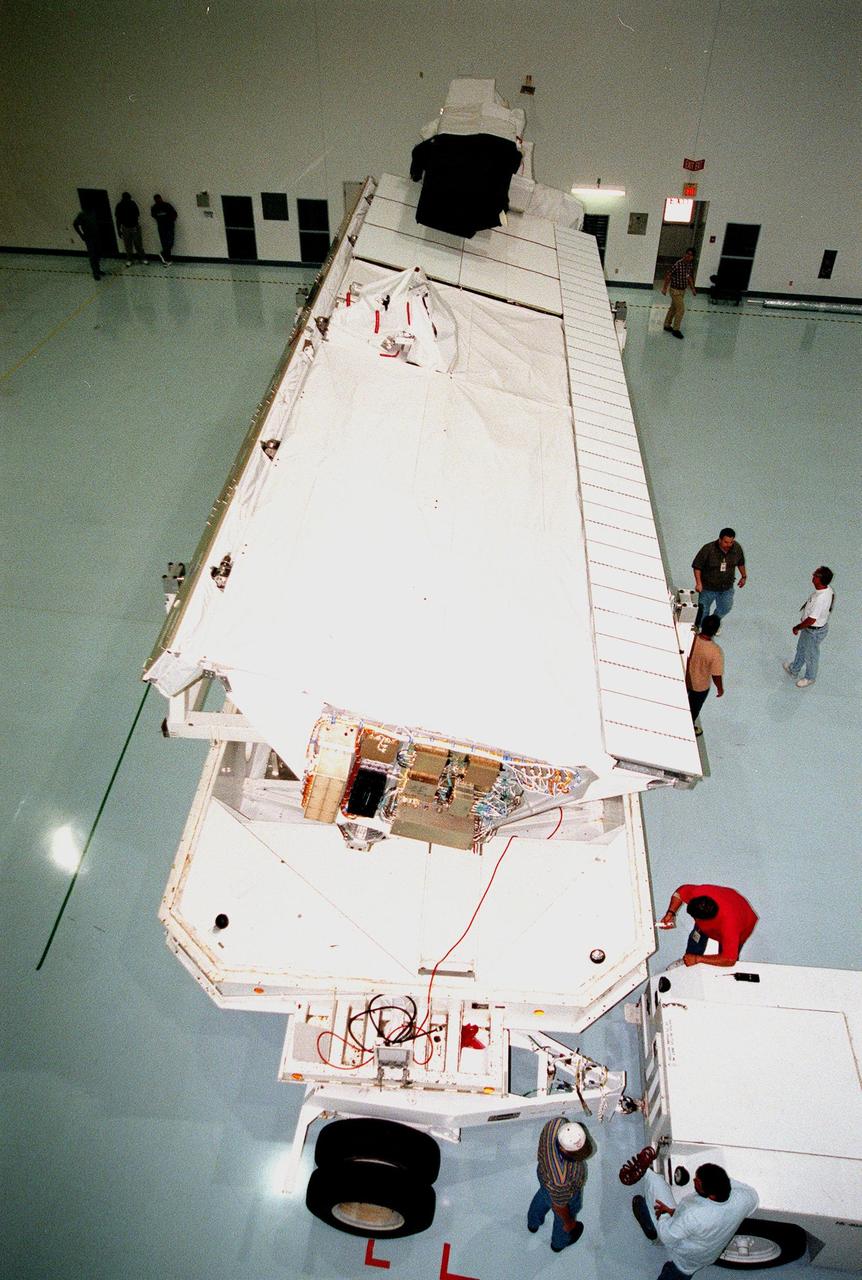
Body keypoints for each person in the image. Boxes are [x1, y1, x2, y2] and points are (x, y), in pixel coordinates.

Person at [632, 1161, 758, 1279]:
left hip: (686, 1259)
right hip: (708, 1253)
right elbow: (753, 1197)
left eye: (697, 1182)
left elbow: (667, 1235)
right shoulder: (744, 1200)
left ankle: (655, 1236)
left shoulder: (695, 1214)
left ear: (711, 1195)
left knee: (657, 1183)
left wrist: (665, 1214)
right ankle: (655, 1231)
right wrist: (672, 1211)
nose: (694, 1180)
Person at [527, 1118, 592, 1253]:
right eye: (576, 1155)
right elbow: (560, 1206)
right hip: (564, 1193)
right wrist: (569, 1222)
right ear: (563, 1149)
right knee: (562, 1217)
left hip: (543, 1174)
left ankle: (533, 1223)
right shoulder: (560, 1179)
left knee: (543, 1195)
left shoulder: (556, 1124)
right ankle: (558, 1243)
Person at [659, 883, 758, 967]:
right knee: (696, 936)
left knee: (723, 961)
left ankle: (714, 975)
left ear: (706, 919)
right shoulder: (699, 892)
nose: (695, 920)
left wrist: (698, 959)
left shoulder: (730, 925)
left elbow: (729, 959)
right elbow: (679, 893)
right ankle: (687, 961)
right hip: (729, 901)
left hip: (744, 921)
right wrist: (670, 913)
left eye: (696, 918)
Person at [783, 566, 834, 688]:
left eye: (816, 575)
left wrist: (798, 627)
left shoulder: (820, 599)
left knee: (811, 655)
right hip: (809, 630)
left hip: (813, 631)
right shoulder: (828, 590)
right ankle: (794, 668)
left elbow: (811, 620)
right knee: (801, 648)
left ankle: (810, 677)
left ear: (820, 579)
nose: (813, 576)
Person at [692, 528, 746, 627]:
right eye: (726, 542)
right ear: (720, 539)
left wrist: (743, 576)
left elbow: (741, 562)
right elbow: (697, 567)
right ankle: (702, 628)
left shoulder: (737, 548)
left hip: (727, 588)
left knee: (726, 607)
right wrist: (699, 583)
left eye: (731, 542)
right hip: (708, 588)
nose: (728, 545)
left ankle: (713, 623)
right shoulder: (708, 549)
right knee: (703, 610)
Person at [685, 615, 723, 735]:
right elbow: (716, 674)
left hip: (685, 678)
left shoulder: (690, 638)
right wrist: (720, 688)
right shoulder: (715, 651)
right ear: (716, 631)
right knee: (694, 708)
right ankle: (688, 726)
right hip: (700, 686)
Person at [662, 248, 696, 338]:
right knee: (681, 309)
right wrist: (664, 288)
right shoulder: (678, 264)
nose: (688, 256)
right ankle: (676, 329)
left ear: (692, 257)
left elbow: (689, 277)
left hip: (682, 291)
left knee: (673, 308)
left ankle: (667, 325)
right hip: (675, 291)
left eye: (690, 255)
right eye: (687, 254)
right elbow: (668, 276)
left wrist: (692, 288)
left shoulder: (689, 265)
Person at [72, 207, 103, 280]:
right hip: (89, 238)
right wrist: (81, 235)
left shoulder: (93, 212)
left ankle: (98, 269)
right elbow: (75, 224)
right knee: (93, 255)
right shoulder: (82, 215)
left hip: (97, 236)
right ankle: (95, 272)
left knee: (98, 253)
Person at [115, 191, 145, 265]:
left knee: (138, 244)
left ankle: (142, 258)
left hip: (134, 226)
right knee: (128, 245)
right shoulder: (119, 206)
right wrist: (118, 230)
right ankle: (130, 259)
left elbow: (137, 214)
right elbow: (118, 219)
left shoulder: (132, 204)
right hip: (125, 227)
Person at [151, 193, 178, 264]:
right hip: (162, 227)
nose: (158, 200)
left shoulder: (167, 205)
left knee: (170, 242)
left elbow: (174, 214)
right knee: (165, 243)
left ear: (161, 198)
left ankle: (163, 254)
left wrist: (171, 220)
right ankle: (167, 259)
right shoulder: (154, 207)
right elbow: (154, 216)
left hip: (169, 226)